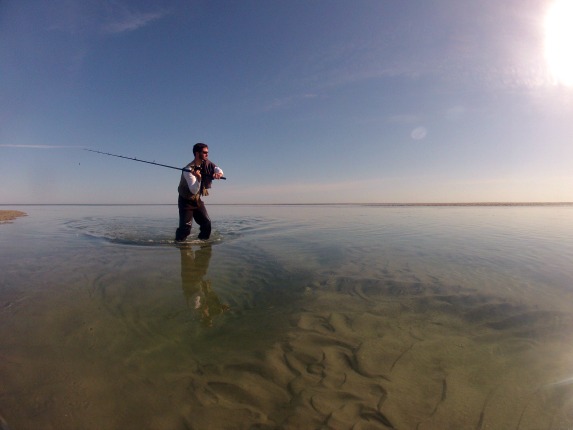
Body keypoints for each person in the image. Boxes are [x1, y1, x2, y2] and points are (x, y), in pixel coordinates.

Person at [175, 143, 224, 241]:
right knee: (185, 229)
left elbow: (217, 169)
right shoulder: (188, 169)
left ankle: (203, 243)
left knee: (207, 224)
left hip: (197, 200)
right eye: (204, 152)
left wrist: (219, 173)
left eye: (207, 152)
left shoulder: (206, 163)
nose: (207, 155)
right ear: (197, 153)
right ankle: (179, 244)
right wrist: (198, 178)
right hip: (185, 201)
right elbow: (193, 190)